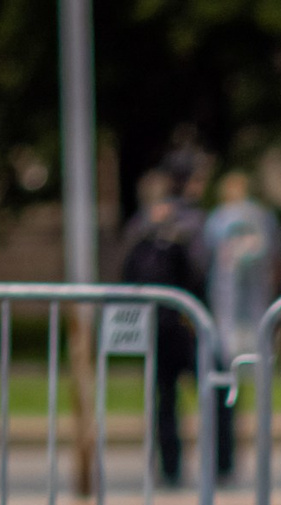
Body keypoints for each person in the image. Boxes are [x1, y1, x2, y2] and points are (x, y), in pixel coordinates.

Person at [118, 168, 213, 487]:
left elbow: (125, 269)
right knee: (216, 388)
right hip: (189, 319)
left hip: (153, 320)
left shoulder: (142, 221)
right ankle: (219, 463)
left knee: (164, 396)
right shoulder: (194, 222)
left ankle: (169, 467)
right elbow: (202, 268)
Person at [201, 170, 281, 480]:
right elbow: (272, 258)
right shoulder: (263, 218)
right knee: (258, 385)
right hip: (258, 313)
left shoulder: (218, 220)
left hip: (225, 314)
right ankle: (259, 459)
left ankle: (225, 460)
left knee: (226, 386)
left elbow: (206, 260)